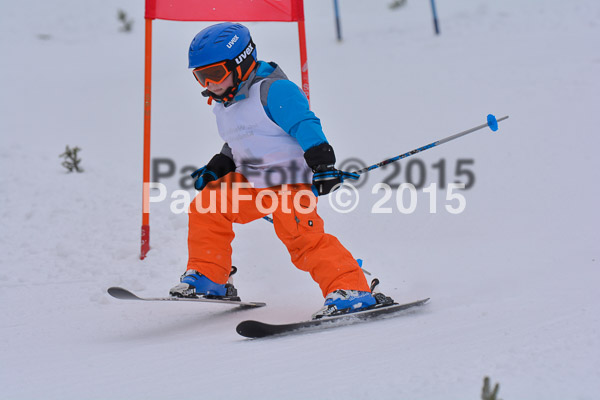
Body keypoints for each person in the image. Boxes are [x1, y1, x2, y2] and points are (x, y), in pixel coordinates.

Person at [169, 22, 377, 318]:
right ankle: (210, 277)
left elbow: (304, 124)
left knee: (303, 240)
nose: (209, 84)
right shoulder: (224, 103)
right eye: (201, 77)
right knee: (207, 207)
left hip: (287, 181)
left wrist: (323, 164)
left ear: (240, 64)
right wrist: (219, 165)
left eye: (215, 74)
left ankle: (351, 289)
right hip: (251, 181)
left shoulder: (274, 91)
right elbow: (240, 140)